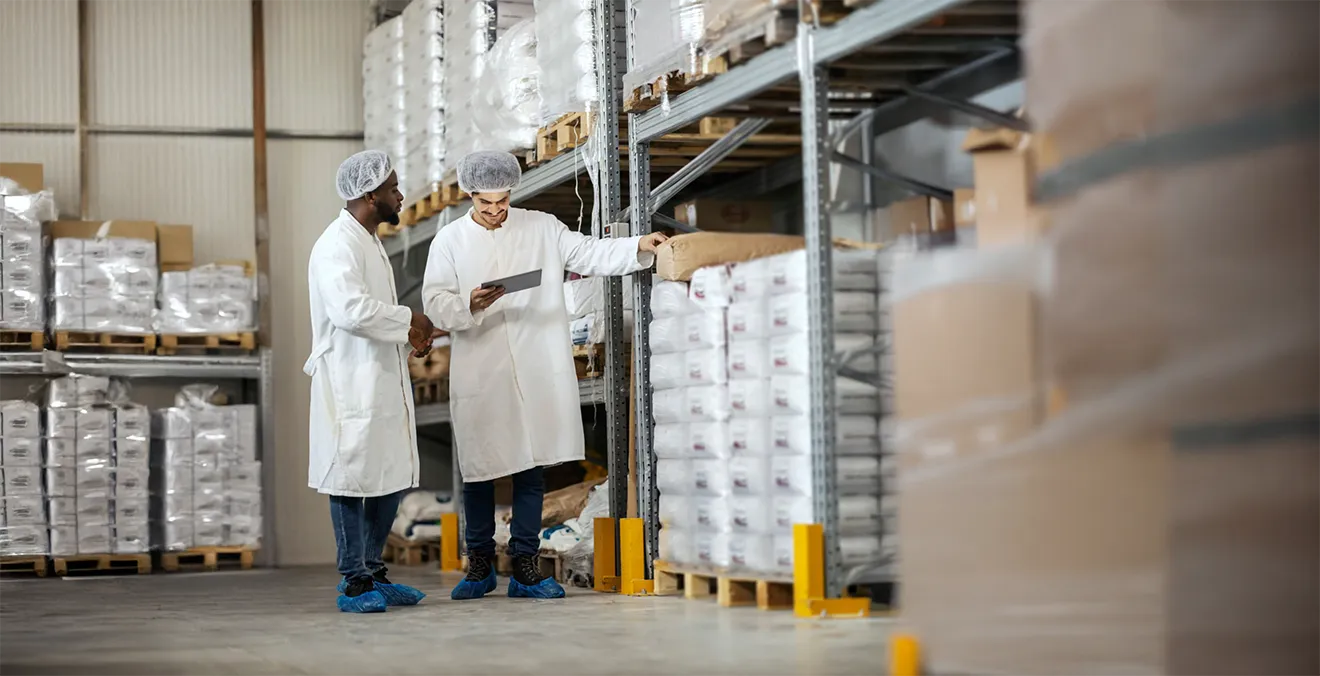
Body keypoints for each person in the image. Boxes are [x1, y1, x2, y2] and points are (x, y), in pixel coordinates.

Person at [421, 150, 667, 600]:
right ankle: (478, 567)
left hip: (536, 365)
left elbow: (590, 252)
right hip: (483, 368)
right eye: (485, 203)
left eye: (502, 200)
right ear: (471, 196)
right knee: (479, 470)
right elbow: (435, 301)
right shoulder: (450, 241)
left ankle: (526, 569)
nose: (495, 210)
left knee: (531, 468)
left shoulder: (541, 227)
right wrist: (468, 304)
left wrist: (637, 246)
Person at [305, 149, 440, 613]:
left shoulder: (368, 240)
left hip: (380, 376)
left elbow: (376, 319)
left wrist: (410, 340)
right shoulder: (336, 245)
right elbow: (350, 311)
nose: (401, 195)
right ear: (369, 195)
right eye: (393, 188)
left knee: (389, 474)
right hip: (349, 383)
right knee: (350, 476)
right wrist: (410, 320)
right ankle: (354, 582)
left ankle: (374, 572)